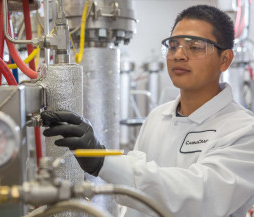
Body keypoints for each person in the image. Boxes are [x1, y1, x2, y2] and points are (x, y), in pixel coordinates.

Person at [41, 5, 254, 217]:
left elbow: (200, 197)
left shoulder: (243, 131)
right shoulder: (157, 117)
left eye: (195, 47)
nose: (179, 55)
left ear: (225, 59)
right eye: (173, 45)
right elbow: (136, 204)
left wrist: (103, 161)